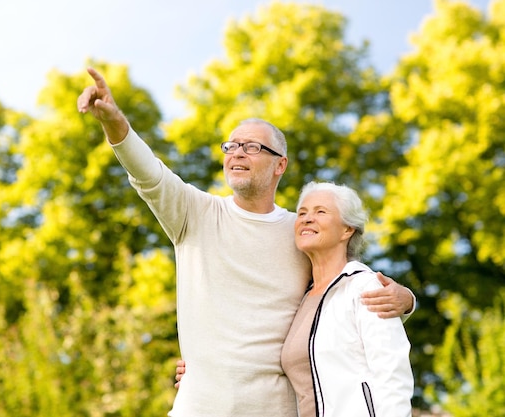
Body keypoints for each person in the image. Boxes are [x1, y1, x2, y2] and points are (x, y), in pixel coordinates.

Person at [77, 67, 415, 417]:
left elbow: (342, 292)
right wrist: (113, 121)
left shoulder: (300, 232)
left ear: (279, 165)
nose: (237, 153)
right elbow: (148, 174)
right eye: (232, 146)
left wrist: (406, 300)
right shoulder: (194, 214)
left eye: (252, 147)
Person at [280, 181, 413, 416]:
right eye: (302, 213)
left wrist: (409, 299)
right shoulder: (300, 298)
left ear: (347, 229)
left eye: (320, 211)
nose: (307, 218)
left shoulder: (364, 287)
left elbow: (392, 374)